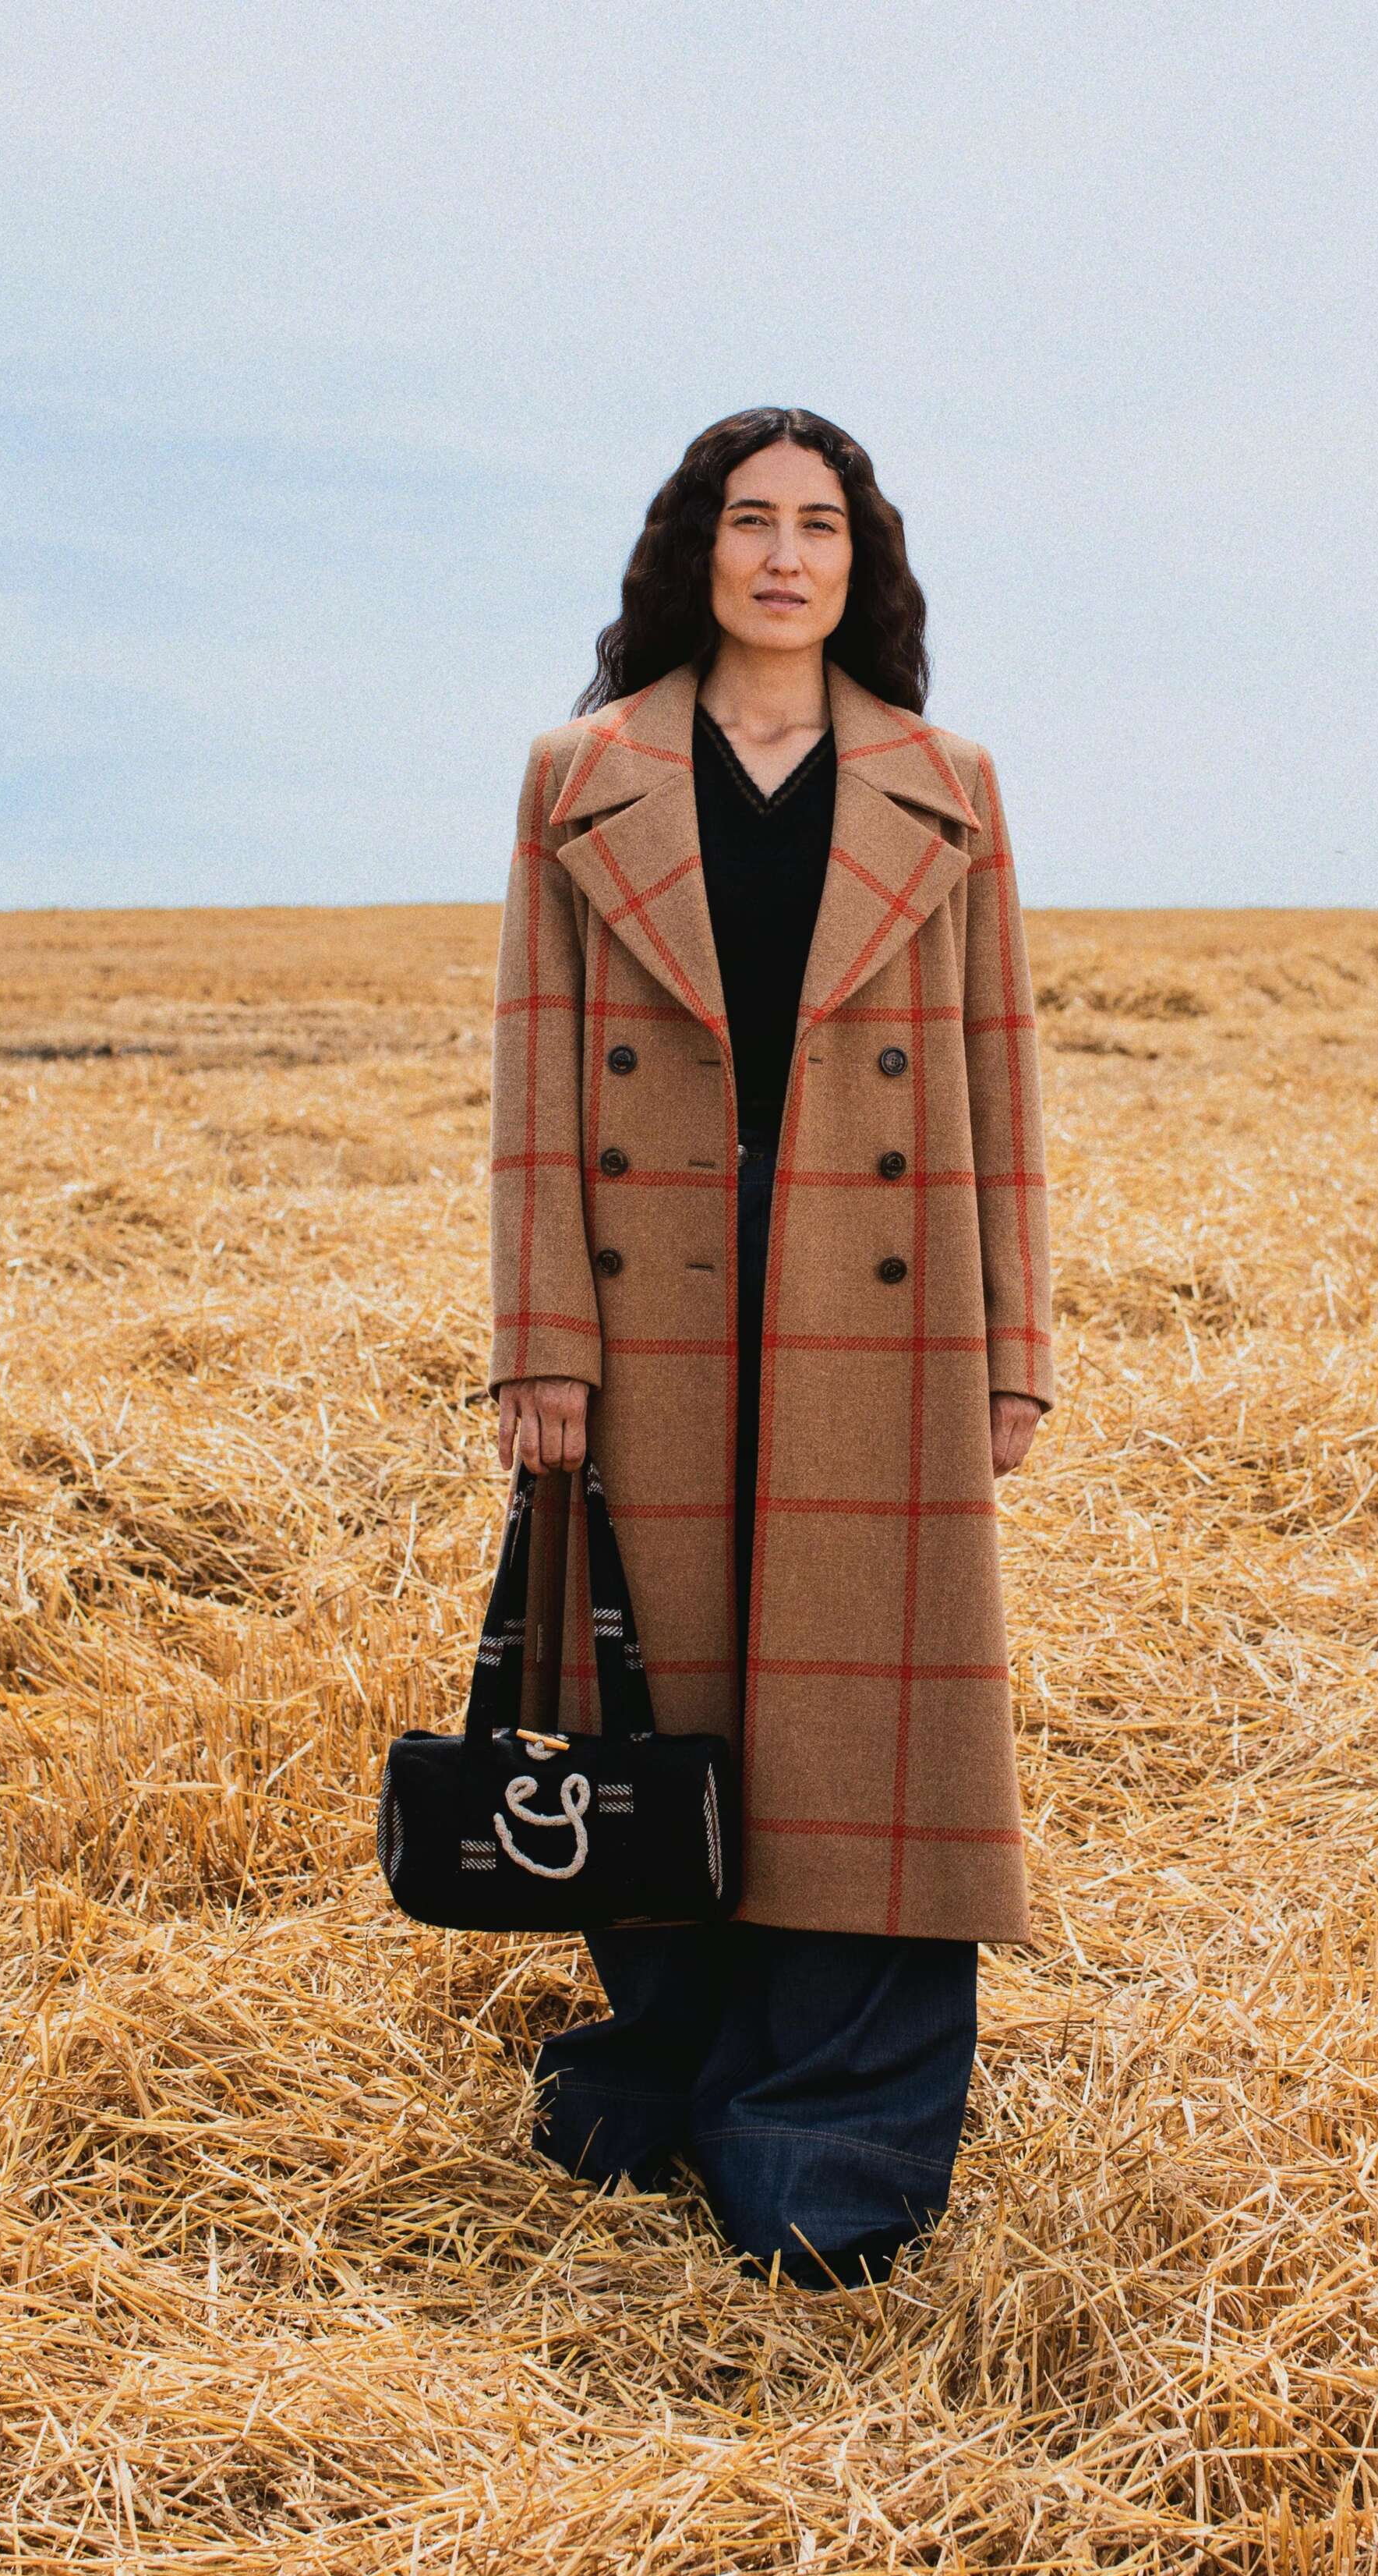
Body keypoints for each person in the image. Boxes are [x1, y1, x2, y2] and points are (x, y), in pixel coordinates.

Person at [487, 406, 1053, 2288]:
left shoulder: (944, 778)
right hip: (649, 1289)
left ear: (858, 562)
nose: (784, 556)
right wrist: (538, 1337)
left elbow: (996, 1078)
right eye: (751, 521)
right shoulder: (580, 772)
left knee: (866, 1728)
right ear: (695, 550)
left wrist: (1009, 1349)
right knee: (665, 1696)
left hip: (871, 1287)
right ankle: (669, 2068)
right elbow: (530, 1072)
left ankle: (833, 2143)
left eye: (819, 524)